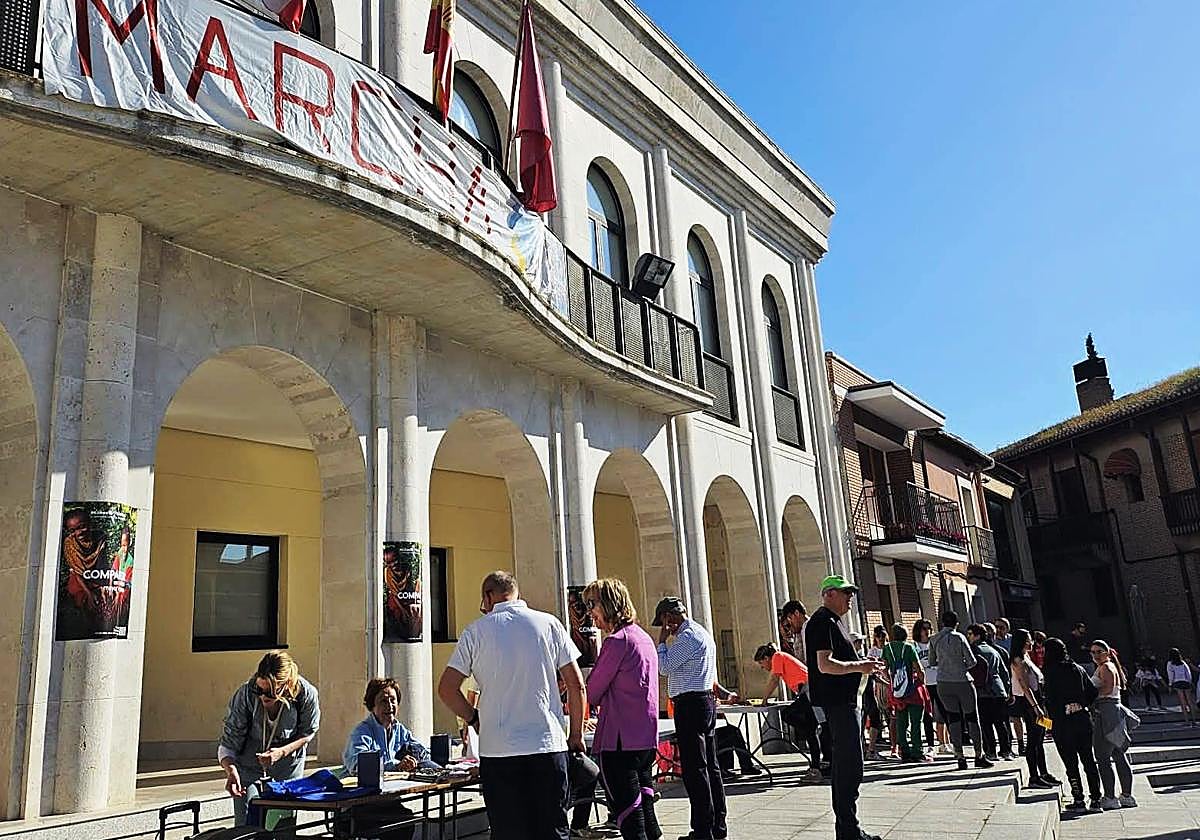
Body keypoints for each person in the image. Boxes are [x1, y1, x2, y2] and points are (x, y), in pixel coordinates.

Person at [438, 571, 586, 840]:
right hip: (546, 745)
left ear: (488, 596)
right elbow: (576, 685)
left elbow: (447, 689)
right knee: (553, 831)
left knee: (508, 832)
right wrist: (575, 735)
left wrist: (473, 718)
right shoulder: (549, 624)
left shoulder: (476, 631)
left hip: (499, 751)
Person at [805, 575, 884, 840]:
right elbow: (824, 664)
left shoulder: (833, 622)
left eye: (850, 593)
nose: (850, 598)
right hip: (838, 703)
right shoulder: (821, 622)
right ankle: (848, 829)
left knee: (849, 766)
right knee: (849, 766)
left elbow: (839, 661)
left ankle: (848, 828)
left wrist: (865, 668)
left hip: (846, 700)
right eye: (845, 593)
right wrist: (860, 666)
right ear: (829, 594)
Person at [584, 578, 661, 840]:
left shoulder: (617, 641)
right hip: (644, 737)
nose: (590, 613)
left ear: (608, 604)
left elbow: (592, 691)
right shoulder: (643, 637)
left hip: (620, 741)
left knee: (628, 815)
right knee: (646, 811)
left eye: (592, 604)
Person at [218, 651, 320, 826]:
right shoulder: (245, 694)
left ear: (286, 685)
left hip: (287, 768)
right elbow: (228, 744)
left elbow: (308, 732)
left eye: (270, 692)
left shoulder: (306, 693)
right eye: (260, 689)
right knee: (246, 826)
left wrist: (282, 752)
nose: (263, 696)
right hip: (249, 767)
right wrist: (231, 771)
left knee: (282, 828)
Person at [654, 596, 725, 840]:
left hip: (690, 705)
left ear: (669, 617)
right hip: (703, 702)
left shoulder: (687, 637)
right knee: (711, 768)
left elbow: (663, 667)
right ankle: (718, 826)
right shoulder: (701, 632)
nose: (666, 628)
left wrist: (661, 642)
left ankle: (703, 830)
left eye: (664, 623)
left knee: (696, 770)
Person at [341, 678, 440, 840]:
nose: (390, 706)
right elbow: (357, 766)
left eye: (393, 700)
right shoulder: (361, 732)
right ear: (372, 705)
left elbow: (423, 752)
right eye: (383, 701)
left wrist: (418, 760)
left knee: (406, 820)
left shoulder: (399, 729)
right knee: (399, 823)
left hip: (387, 800)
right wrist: (396, 765)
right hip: (360, 804)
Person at [1041, 638, 1102, 813]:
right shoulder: (1078, 668)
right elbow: (1092, 692)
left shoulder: (1051, 672)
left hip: (1062, 722)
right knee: (1088, 760)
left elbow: (1050, 700)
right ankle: (1096, 798)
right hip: (1082, 719)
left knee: (1071, 763)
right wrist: (1080, 703)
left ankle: (1078, 798)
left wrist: (1049, 723)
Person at [929, 611, 990, 771]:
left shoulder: (934, 639)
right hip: (962, 680)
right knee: (972, 717)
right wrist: (960, 663)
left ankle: (960, 756)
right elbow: (972, 661)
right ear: (956, 623)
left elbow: (931, 661)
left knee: (953, 718)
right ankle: (979, 755)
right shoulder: (960, 637)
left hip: (943, 681)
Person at [752, 642, 823, 780]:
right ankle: (816, 767)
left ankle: (814, 737)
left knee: (787, 714)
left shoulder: (777, 656)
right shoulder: (781, 657)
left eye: (761, 663)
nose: (762, 667)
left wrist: (764, 700)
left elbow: (774, 680)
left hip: (808, 690)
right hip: (808, 690)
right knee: (810, 731)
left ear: (767, 658)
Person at [1090, 640, 1139, 809]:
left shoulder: (1106, 667)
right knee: (1119, 754)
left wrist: (1090, 697)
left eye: (1099, 651)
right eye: (1093, 652)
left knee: (1103, 756)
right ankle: (1126, 795)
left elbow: (1107, 689)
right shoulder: (1108, 666)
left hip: (1106, 710)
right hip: (1112, 711)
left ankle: (1110, 797)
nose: (1095, 655)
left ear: (1107, 652)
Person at [1010, 628, 1059, 789]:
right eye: (1029, 639)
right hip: (1029, 703)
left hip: (1038, 699)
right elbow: (1025, 686)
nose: (1031, 642)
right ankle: (1034, 776)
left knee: (1041, 737)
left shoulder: (1026, 657)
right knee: (1033, 738)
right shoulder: (1018, 660)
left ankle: (1044, 773)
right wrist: (1036, 707)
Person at [881, 623, 929, 763]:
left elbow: (884, 668)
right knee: (915, 721)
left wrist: (891, 680)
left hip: (897, 690)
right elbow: (918, 668)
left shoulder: (887, 648)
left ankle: (904, 751)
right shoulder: (908, 647)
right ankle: (917, 751)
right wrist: (922, 682)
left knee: (901, 721)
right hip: (912, 689)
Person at [966, 624, 1010, 762]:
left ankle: (991, 751)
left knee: (986, 723)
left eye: (970, 634)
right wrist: (1007, 690)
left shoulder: (974, 650)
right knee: (1000, 722)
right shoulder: (994, 650)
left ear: (977, 635)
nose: (968, 637)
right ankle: (1006, 750)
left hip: (983, 691)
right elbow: (1004, 673)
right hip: (998, 689)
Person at [913, 619, 944, 756]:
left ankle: (944, 742)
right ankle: (930, 744)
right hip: (924, 684)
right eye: (924, 628)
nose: (927, 631)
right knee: (927, 715)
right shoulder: (915, 646)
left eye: (929, 628)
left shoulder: (935, 644)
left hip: (938, 681)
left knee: (943, 712)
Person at [1166, 648, 1197, 726]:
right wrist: (1189, 682)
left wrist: (1170, 684)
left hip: (1177, 682)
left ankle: (1187, 721)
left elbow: (1171, 675)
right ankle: (1194, 720)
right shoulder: (1182, 662)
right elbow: (1188, 672)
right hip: (1186, 682)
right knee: (1190, 702)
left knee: (1183, 703)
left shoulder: (1170, 663)